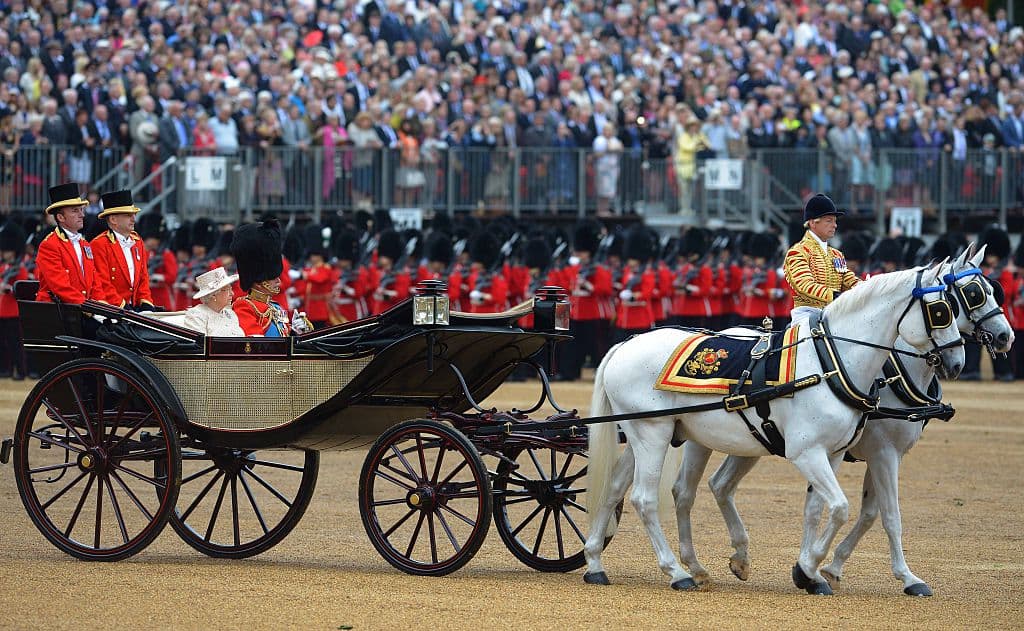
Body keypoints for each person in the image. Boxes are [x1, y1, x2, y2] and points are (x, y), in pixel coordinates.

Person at [783, 194, 861, 326]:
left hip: (834, 313)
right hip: (807, 316)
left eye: (835, 221)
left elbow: (848, 279)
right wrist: (836, 296)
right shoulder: (798, 252)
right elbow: (804, 285)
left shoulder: (836, 254)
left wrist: (865, 288)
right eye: (829, 220)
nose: (835, 225)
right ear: (813, 222)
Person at [34, 182, 116, 304]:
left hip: (81, 310)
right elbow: (61, 287)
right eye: (75, 211)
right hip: (58, 312)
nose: (82, 215)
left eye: (81, 210)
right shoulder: (49, 245)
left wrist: (102, 304)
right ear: (61, 217)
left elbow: (94, 281)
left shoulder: (85, 244)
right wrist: (91, 309)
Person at [231, 219, 304, 336]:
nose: (278, 280)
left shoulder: (275, 306)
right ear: (259, 281)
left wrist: (295, 332)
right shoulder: (244, 307)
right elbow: (257, 344)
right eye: (272, 277)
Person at [89, 189, 155, 310]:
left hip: (135, 309)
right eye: (128, 215)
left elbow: (143, 278)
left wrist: (146, 304)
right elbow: (103, 282)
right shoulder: (99, 244)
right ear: (113, 220)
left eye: (134, 215)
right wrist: (122, 306)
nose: (134, 219)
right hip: (113, 310)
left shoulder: (137, 241)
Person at [182, 267, 245, 337]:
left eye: (231, 289)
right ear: (213, 295)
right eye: (227, 290)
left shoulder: (230, 313)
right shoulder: (196, 315)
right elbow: (200, 345)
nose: (232, 293)